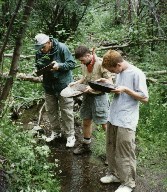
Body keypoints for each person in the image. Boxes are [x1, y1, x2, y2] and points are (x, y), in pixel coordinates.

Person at [98, 50, 149, 192]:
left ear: (119, 64)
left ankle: (128, 183)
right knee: (111, 148)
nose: (112, 72)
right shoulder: (119, 72)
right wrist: (108, 83)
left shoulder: (137, 73)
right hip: (113, 116)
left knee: (125, 152)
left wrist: (126, 90)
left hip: (127, 119)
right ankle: (114, 174)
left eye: (112, 70)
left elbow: (144, 98)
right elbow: (118, 87)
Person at [34, 33, 76, 147]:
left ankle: (70, 136)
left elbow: (72, 63)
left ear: (49, 42)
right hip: (48, 86)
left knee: (66, 111)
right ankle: (56, 132)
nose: (41, 50)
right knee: (51, 111)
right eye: (39, 48)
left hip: (64, 85)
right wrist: (38, 70)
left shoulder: (62, 48)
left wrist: (60, 66)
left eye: (43, 47)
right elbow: (38, 65)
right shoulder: (39, 52)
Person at [70, 45, 113, 155]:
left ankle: (112, 151)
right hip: (87, 96)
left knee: (104, 123)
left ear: (88, 55)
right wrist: (76, 83)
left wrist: (94, 87)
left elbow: (109, 83)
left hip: (100, 97)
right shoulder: (84, 64)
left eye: (82, 60)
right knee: (86, 120)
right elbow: (84, 77)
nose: (82, 62)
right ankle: (86, 145)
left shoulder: (101, 63)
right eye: (80, 61)